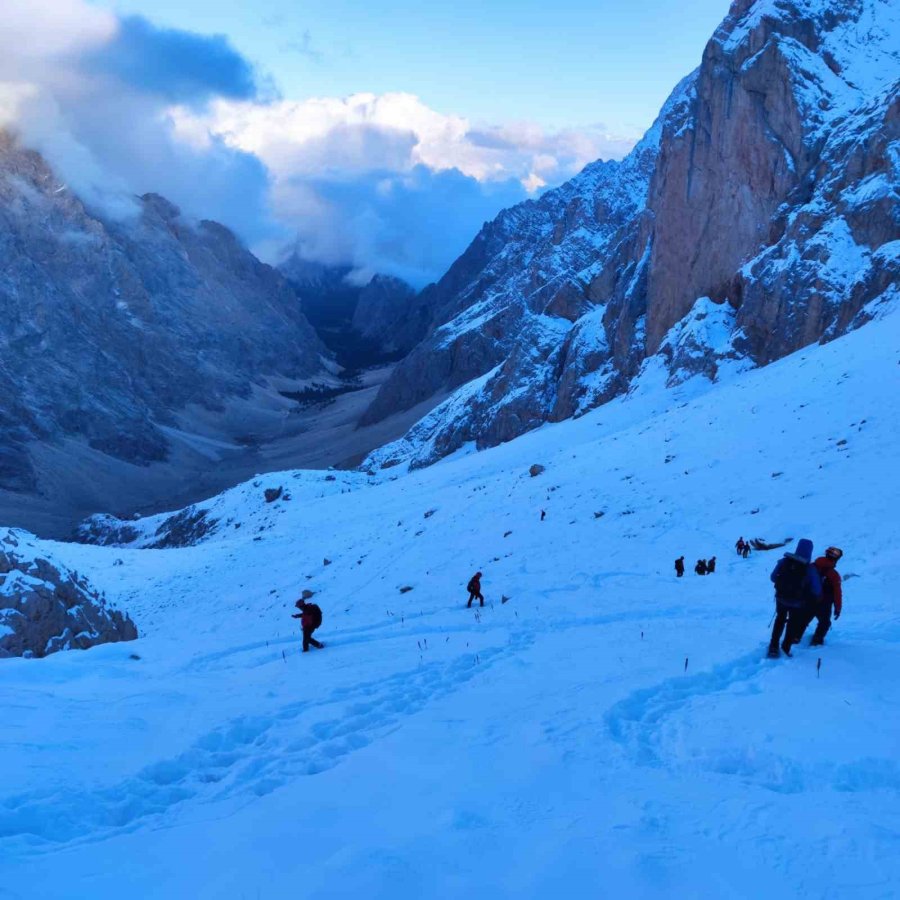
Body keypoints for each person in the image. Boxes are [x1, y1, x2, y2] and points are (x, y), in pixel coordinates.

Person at [767, 539, 821, 658]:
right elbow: (816, 590)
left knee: (780, 620)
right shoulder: (810, 569)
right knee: (792, 623)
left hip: (781, 598)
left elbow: (772, 577)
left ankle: (773, 646)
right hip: (798, 603)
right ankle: (786, 648)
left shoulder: (784, 561)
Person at [801, 547, 844, 646]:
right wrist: (838, 608)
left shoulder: (811, 566)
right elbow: (837, 593)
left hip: (808, 600)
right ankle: (817, 641)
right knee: (824, 623)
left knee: (802, 621)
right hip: (824, 604)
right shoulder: (834, 575)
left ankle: (795, 637)